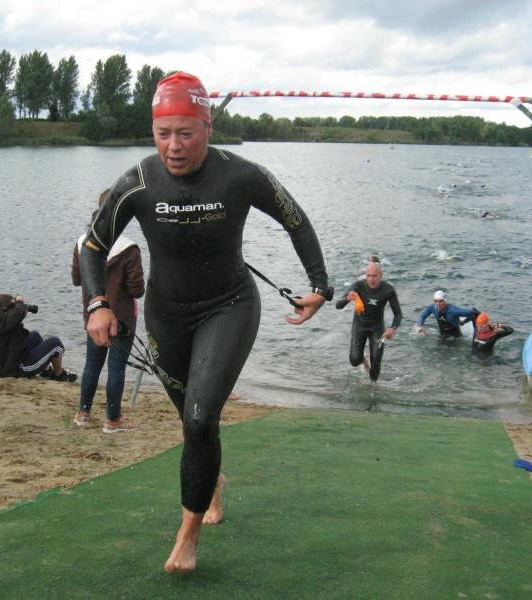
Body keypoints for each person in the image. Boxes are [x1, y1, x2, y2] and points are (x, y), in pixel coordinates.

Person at [78, 71, 330, 573]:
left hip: (229, 305)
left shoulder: (241, 175)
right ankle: (212, 479)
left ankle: (187, 537)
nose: (173, 146)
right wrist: (97, 303)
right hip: (166, 316)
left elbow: (295, 219)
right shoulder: (138, 181)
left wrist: (320, 286)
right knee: (193, 422)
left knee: (198, 418)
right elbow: (92, 245)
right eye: (162, 133)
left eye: (185, 133)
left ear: (208, 129)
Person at [72, 204, 145, 433]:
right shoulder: (129, 249)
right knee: (116, 367)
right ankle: (113, 419)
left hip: (94, 314)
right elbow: (137, 290)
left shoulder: (83, 244)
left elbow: (76, 279)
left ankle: (83, 412)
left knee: (92, 364)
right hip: (121, 317)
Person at [0, 294, 77, 382]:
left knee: (35, 335)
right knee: (56, 344)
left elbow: (18, 329)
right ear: (7, 307)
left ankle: (46, 370)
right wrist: (19, 302)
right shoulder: (5, 320)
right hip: (14, 370)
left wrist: (18, 307)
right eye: (13, 306)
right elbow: (19, 312)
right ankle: (59, 375)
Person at [336, 261, 401, 380]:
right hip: (359, 326)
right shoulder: (358, 286)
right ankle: (364, 360)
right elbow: (338, 305)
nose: (371, 279)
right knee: (354, 360)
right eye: (368, 275)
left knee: (376, 360)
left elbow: (398, 314)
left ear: (380, 275)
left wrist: (392, 328)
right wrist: (347, 298)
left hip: (378, 328)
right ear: (365, 275)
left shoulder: (388, 290)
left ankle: (373, 386)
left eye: (374, 276)